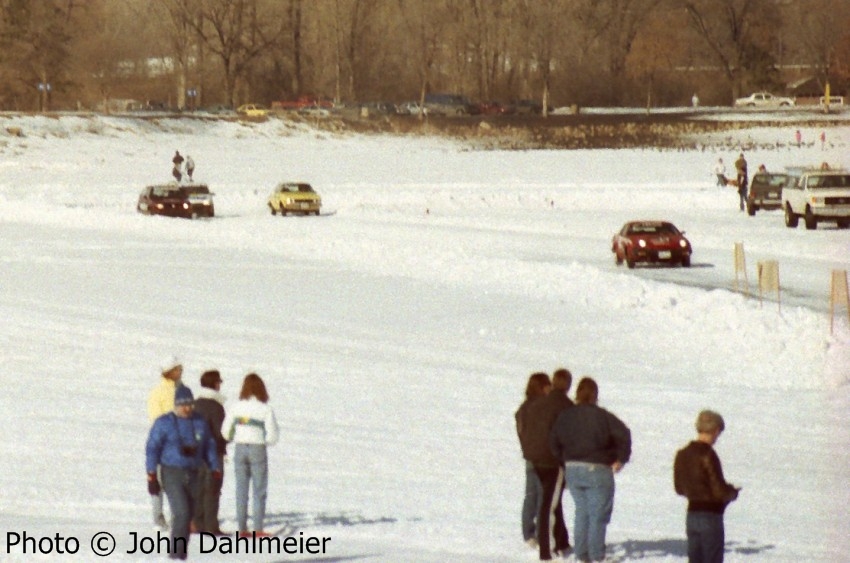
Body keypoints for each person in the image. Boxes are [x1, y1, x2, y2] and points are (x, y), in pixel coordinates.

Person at [549, 377, 631, 563]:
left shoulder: (565, 416)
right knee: (598, 514)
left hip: (572, 469)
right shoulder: (603, 416)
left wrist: (564, 460)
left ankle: (581, 554)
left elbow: (553, 440)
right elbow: (624, 434)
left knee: (582, 512)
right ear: (595, 395)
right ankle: (596, 555)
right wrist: (621, 459)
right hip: (597, 468)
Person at [146, 385, 221, 560]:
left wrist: (215, 468)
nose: (186, 408)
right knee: (181, 513)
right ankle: (174, 556)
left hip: (195, 473)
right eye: (182, 405)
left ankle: (182, 554)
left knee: (189, 516)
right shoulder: (164, 423)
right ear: (176, 405)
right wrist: (151, 475)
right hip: (172, 472)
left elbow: (209, 446)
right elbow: (152, 448)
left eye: (189, 404)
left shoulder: (200, 422)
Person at [674, 410, 740, 563]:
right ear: (716, 430)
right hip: (710, 516)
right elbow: (719, 491)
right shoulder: (708, 454)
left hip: (691, 515)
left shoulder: (682, 454)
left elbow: (679, 488)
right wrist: (732, 492)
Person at [523, 368, 574, 560]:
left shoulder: (539, 403)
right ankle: (547, 549)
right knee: (548, 505)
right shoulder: (566, 406)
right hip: (551, 460)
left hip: (534, 456)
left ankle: (561, 540)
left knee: (550, 500)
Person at [221, 373, 279, 536]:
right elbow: (273, 435)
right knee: (259, 489)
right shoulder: (265, 409)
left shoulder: (236, 407)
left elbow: (225, 432)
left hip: (240, 448)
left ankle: (242, 528)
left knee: (241, 489)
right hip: (258, 449)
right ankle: (258, 528)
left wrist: (235, 436)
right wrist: (265, 440)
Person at [515, 372, 552, 549]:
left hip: (529, 456)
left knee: (531, 495)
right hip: (543, 457)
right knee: (543, 496)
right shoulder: (543, 407)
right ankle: (539, 534)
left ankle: (528, 533)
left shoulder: (523, 408)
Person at [147, 357, 184, 530]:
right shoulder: (158, 392)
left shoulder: (182, 390)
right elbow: (156, 419)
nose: (180, 372)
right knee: (159, 480)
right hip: (163, 443)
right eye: (177, 369)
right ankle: (158, 517)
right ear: (169, 371)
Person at [192, 370, 228, 535]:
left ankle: (196, 522)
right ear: (215, 384)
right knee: (213, 489)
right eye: (219, 382)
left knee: (198, 488)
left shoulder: (195, 404)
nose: (220, 385)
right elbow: (221, 433)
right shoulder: (216, 407)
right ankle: (211, 526)